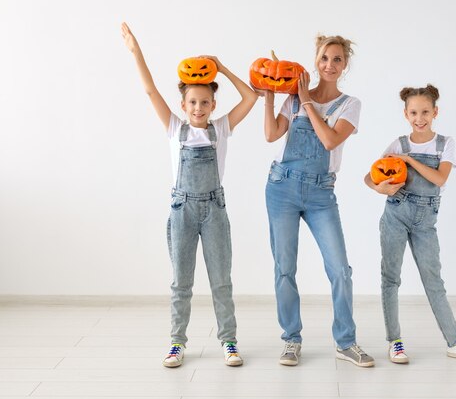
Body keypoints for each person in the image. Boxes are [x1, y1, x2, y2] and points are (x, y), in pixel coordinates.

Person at [121, 22, 257, 368]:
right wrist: (137, 52)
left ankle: (228, 340)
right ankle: (177, 342)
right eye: (193, 102)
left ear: (213, 104)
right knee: (181, 282)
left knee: (221, 280)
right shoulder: (173, 128)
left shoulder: (221, 129)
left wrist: (222, 69)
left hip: (214, 210)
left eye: (205, 102)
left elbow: (252, 97)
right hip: (182, 210)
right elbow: (151, 91)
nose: (198, 108)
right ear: (183, 103)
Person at [260, 35, 374, 368]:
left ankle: (346, 341)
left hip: (321, 193)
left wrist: (307, 99)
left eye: (337, 60)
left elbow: (328, 141)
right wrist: (269, 97)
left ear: (344, 65)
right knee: (285, 269)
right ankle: (291, 340)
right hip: (281, 187)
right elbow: (270, 135)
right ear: (316, 59)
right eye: (325, 58)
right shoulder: (292, 101)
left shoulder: (349, 104)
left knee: (340, 269)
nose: (329, 65)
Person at [364, 84, 456, 364]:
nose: (419, 118)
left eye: (424, 112)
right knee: (390, 278)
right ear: (405, 114)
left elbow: (440, 179)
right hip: (395, 214)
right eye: (413, 113)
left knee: (434, 281)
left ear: (435, 112)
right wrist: (379, 188)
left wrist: (408, 161)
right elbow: (369, 177)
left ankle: (455, 342)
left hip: (425, 221)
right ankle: (394, 341)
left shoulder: (445, 144)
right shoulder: (397, 144)